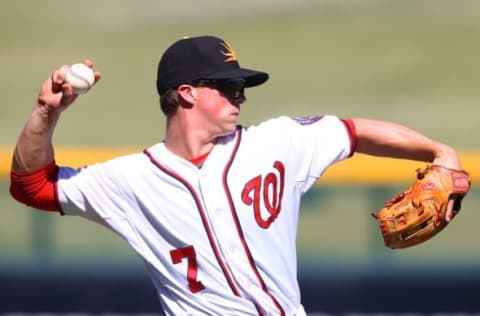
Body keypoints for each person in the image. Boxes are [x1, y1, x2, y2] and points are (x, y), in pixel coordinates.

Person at [10, 35, 464, 316]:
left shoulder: (276, 142)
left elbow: (355, 131)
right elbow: (31, 185)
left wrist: (436, 150)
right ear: (186, 94)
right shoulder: (131, 181)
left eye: (241, 87)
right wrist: (44, 113)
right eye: (228, 86)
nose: (240, 96)